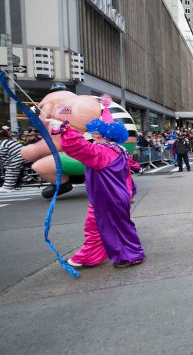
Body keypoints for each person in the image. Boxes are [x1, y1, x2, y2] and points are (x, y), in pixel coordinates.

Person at [48, 107, 145, 268]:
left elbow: (80, 148)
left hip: (109, 198)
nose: (92, 137)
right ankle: (91, 255)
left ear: (103, 135)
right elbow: (127, 173)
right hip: (108, 197)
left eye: (94, 134)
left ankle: (130, 256)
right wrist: (129, 193)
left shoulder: (103, 151)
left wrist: (65, 129)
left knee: (116, 228)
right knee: (95, 227)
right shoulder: (118, 151)